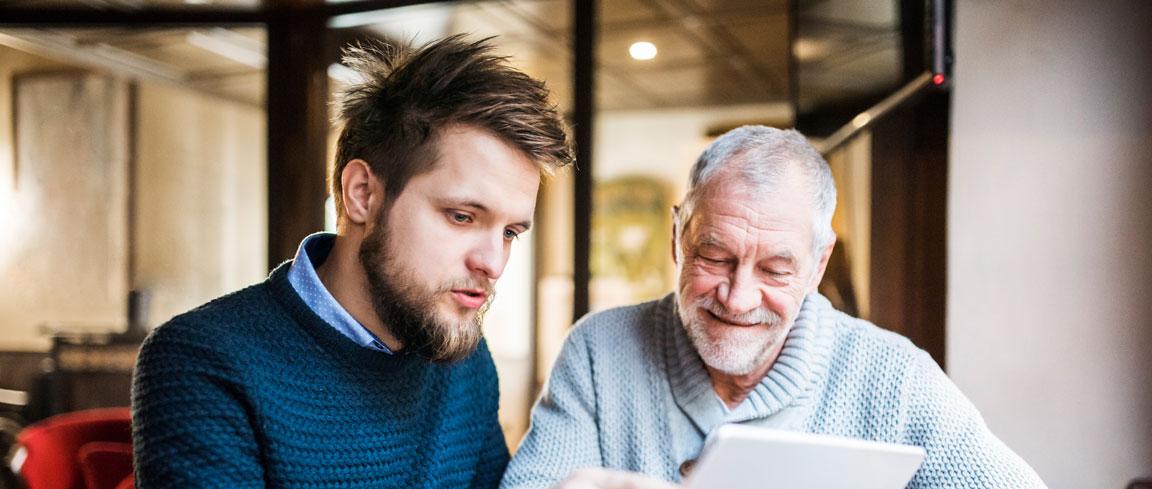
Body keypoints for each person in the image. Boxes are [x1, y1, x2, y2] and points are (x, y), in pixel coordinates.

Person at [131, 35, 572, 488]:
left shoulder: (465, 359)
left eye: (510, 232)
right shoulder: (204, 359)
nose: (493, 263)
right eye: (462, 216)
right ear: (362, 193)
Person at [502, 126, 1047, 489]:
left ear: (818, 263)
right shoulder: (599, 351)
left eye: (775, 270)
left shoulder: (893, 378)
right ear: (676, 236)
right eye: (714, 256)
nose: (738, 299)